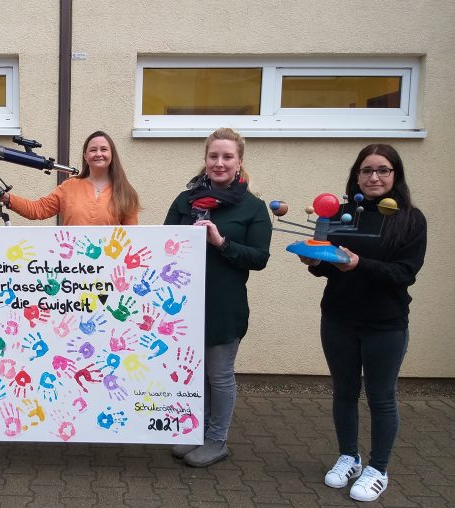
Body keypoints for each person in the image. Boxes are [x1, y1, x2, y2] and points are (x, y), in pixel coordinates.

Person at [300, 144, 426, 502]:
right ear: (356, 175)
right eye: (366, 170)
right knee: (343, 393)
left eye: (382, 170)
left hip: (385, 324)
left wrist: (360, 264)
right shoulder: (342, 214)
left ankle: (378, 468)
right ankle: (349, 456)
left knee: (381, 398)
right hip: (338, 318)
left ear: (395, 175)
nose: (374, 177)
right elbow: (329, 265)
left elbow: (405, 273)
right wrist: (315, 263)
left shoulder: (410, 219)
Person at [164, 127, 271, 467]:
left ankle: (217, 440)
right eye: (214, 156)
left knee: (219, 374)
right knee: (196, 373)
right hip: (185, 304)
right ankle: (197, 432)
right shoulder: (186, 200)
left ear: (239, 163)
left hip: (224, 304)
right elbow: (164, 245)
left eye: (227, 157)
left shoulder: (253, 207)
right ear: (206, 159)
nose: (219, 163)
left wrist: (221, 243)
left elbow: (259, 258)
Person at [1, 130, 140, 225]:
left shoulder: (126, 192)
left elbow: (131, 238)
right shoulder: (69, 187)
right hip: (73, 265)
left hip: (110, 265)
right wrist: (8, 198)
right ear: (86, 156)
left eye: (104, 149)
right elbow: (38, 209)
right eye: (93, 150)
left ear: (112, 154)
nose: (98, 153)